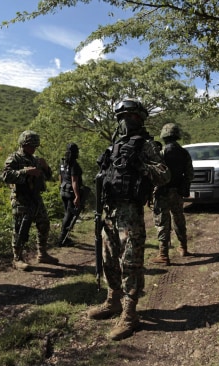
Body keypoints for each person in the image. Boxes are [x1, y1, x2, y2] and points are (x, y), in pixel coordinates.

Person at [88, 98, 171, 341]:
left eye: (128, 116)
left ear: (138, 118)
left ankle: (130, 314)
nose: (123, 121)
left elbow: (165, 175)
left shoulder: (145, 145)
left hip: (130, 214)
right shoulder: (115, 146)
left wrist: (141, 166)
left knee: (130, 263)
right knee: (109, 260)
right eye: (120, 117)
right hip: (110, 212)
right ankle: (113, 301)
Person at [1, 130, 59, 270]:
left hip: (35, 197)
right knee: (20, 228)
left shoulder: (36, 159)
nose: (33, 149)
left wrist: (45, 167)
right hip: (21, 198)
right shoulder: (14, 158)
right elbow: (5, 176)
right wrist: (24, 172)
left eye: (35, 146)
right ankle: (18, 259)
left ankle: (42, 254)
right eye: (31, 146)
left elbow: (49, 176)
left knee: (44, 223)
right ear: (23, 144)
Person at [150, 123, 194, 265]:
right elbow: (189, 173)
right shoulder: (184, 153)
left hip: (162, 192)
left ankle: (163, 254)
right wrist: (184, 187)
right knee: (179, 219)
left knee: (162, 222)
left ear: (163, 136)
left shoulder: (161, 153)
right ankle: (183, 247)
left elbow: (155, 174)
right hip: (177, 192)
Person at [57, 143, 84, 246]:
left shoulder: (63, 162)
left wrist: (61, 187)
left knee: (67, 214)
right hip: (71, 193)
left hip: (63, 190)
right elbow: (74, 181)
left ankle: (64, 237)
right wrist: (77, 196)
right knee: (69, 215)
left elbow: (60, 176)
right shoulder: (73, 164)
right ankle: (62, 239)